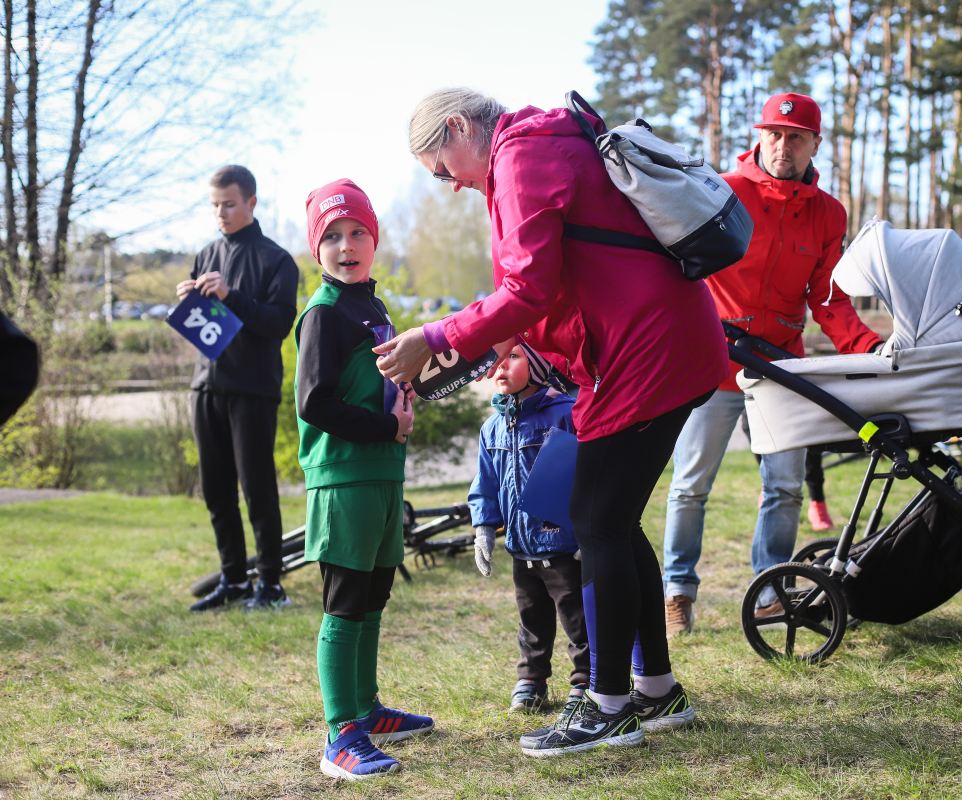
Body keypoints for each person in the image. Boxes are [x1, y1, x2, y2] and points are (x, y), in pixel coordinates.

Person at [376, 88, 726, 756]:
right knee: (613, 524)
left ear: (458, 128)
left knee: (593, 522)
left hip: (646, 354)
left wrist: (442, 332)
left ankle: (607, 706)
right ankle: (655, 691)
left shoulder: (520, 156)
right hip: (659, 345)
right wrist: (510, 342)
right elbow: (564, 280)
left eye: (441, 169)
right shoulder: (541, 147)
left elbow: (528, 287)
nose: (447, 186)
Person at [661, 93, 882, 634]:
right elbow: (679, 267)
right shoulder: (722, 191)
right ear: (760, 136)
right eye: (775, 134)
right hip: (713, 360)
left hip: (783, 366)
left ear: (815, 144)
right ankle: (677, 592)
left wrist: (867, 347)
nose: (784, 146)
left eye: (796, 137)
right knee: (691, 484)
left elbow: (827, 296)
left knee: (785, 486)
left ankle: (771, 590)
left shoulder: (828, 212)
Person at [296, 179, 432, 781]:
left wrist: (402, 408)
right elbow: (315, 404)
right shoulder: (324, 314)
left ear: (374, 239)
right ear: (315, 248)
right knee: (346, 603)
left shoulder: (372, 307)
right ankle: (339, 735)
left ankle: (366, 709)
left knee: (375, 595)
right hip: (344, 477)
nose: (346, 245)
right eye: (331, 237)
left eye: (357, 233)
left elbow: (380, 383)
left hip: (382, 474)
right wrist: (383, 428)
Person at [180, 165, 300, 613]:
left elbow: (278, 324)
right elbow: (205, 329)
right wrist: (191, 303)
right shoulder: (206, 253)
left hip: (252, 390)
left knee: (257, 488)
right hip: (205, 386)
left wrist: (231, 296)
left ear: (251, 202)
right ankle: (232, 579)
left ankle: (270, 584)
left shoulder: (277, 260)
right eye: (214, 205)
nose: (221, 213)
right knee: (215, 489)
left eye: (229, 204)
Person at [468, 342, 589, 714]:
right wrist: (484, 528)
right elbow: (485, 483)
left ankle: (587, 680)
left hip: (564, 545)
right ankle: (531, 679)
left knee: (577, 618)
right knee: (531, 619)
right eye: (496, 361)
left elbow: (585, 474)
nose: (501, 367)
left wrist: (587, 530)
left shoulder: (565, 414)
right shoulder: (491, 428)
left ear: (538, 365)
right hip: (521, 547)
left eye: (513, 357)